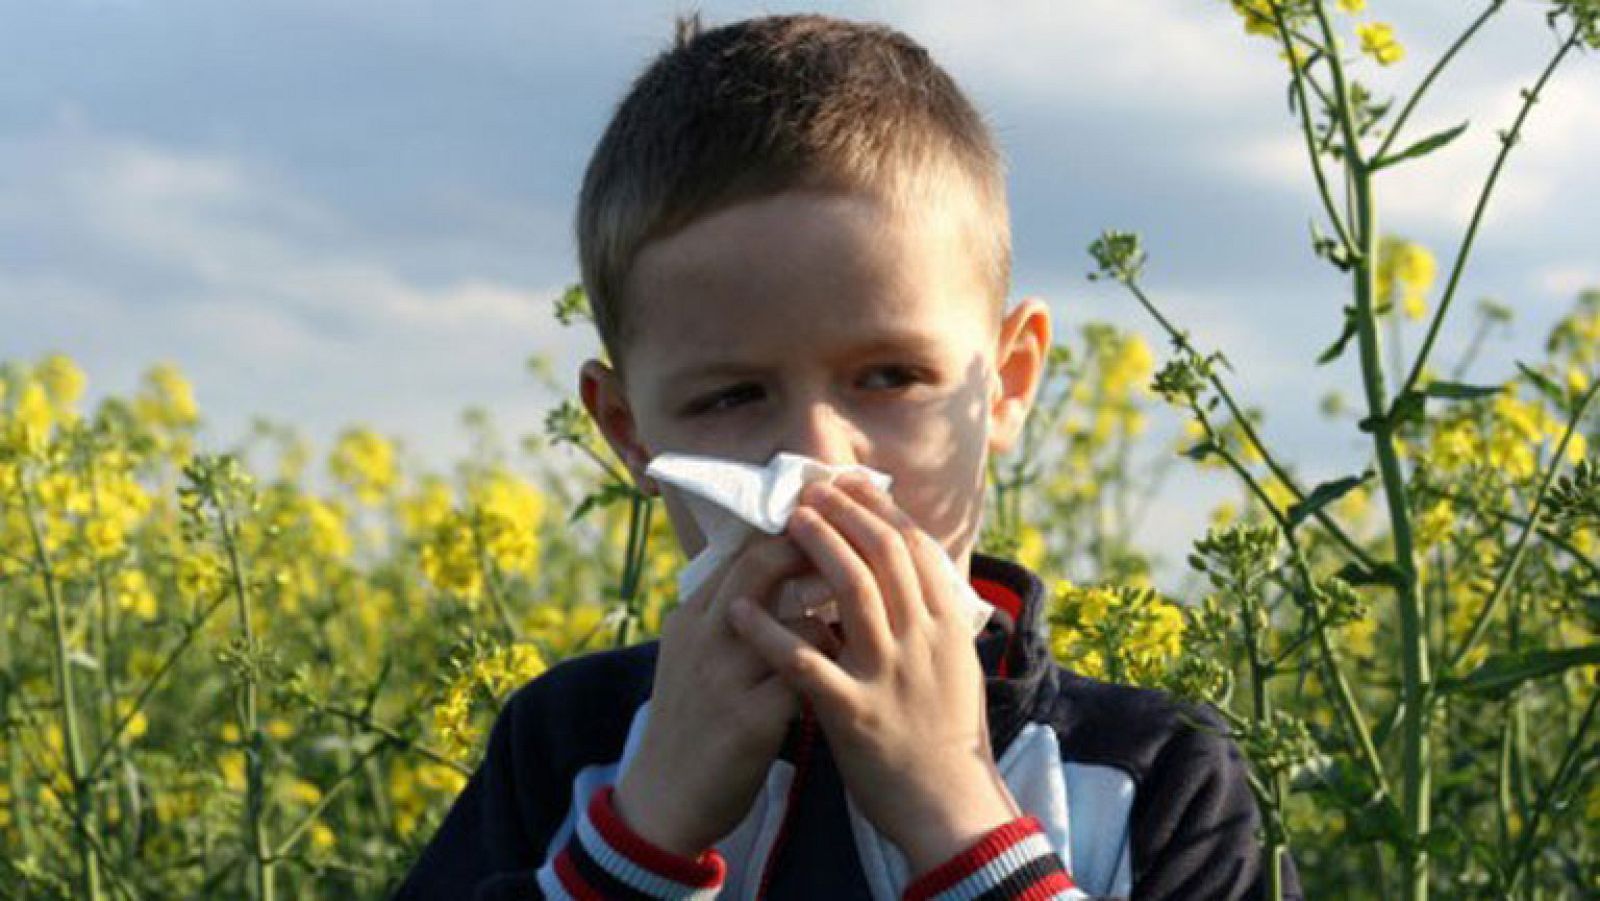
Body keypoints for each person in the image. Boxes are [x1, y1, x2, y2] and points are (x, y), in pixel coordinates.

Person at [396, 11, 1300, 900]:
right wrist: (642, 839)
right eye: (731, 396)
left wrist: (961, 820)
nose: (815, 460)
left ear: (1007, 383)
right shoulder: (568, 750)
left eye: (891, 376)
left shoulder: (1156, 777)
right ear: (630, 430)